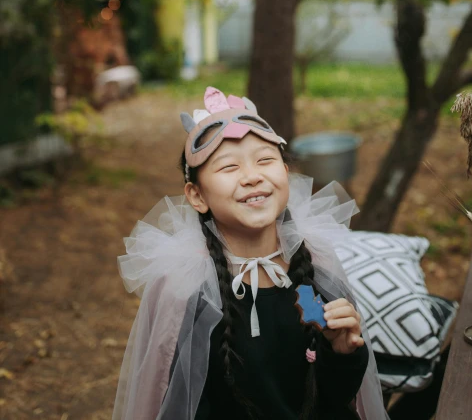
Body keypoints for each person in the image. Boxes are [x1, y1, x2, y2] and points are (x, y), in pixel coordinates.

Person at [112, 87, 389, 420]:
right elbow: (177, 404)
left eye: (265, 160)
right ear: (196, 196)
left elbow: (334, 401)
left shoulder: (316, 264)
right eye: (228, 167)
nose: (252, 176)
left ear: (285, 172)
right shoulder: (184, 288)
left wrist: (342, 353)